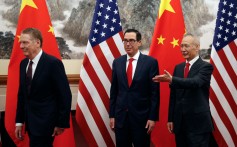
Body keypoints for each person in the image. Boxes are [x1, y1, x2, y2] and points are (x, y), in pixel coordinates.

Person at [153, 33, 214, 147]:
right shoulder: (179, 67)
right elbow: (174, 95)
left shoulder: (205, 66)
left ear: (197, 47)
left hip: (198, 125)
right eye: (181, 46)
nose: (183, 49)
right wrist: (170, 118)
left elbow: (196, 82)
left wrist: (172, 79)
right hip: (179, 124)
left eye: (186, 46)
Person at [15, 28, 72, 147]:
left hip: (46, 123)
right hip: (30, 123)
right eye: (20, 42)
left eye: (25, 42)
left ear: (37, 42)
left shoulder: (52, 63)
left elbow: (65, 95)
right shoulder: (23, 64)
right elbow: (22, 95)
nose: (21, 46)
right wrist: (19, 122)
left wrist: (61, 123)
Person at [109, 29, 160, 147]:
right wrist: (112, 115)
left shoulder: (150, 62)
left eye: (132, 41)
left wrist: (152, 117)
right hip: (121, 119)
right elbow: (114, 91)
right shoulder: (117, 62)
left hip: (142, 119)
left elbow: (154, 93)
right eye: (125, 41)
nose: (128, 44)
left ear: (139, 43)